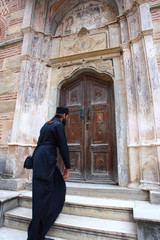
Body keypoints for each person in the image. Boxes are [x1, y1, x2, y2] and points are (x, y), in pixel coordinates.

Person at [27, 107, 71, 240]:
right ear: (64, 115)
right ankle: (37, 234)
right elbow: (63, 147)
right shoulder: (58, 125)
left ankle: (38, 229)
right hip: (47, 160)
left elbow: (39, 143)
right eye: (67, 117)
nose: (66, 119)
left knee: (43, 191)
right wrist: (67, 167)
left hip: (40, 159)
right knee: (46, 192)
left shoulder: (47, 124)